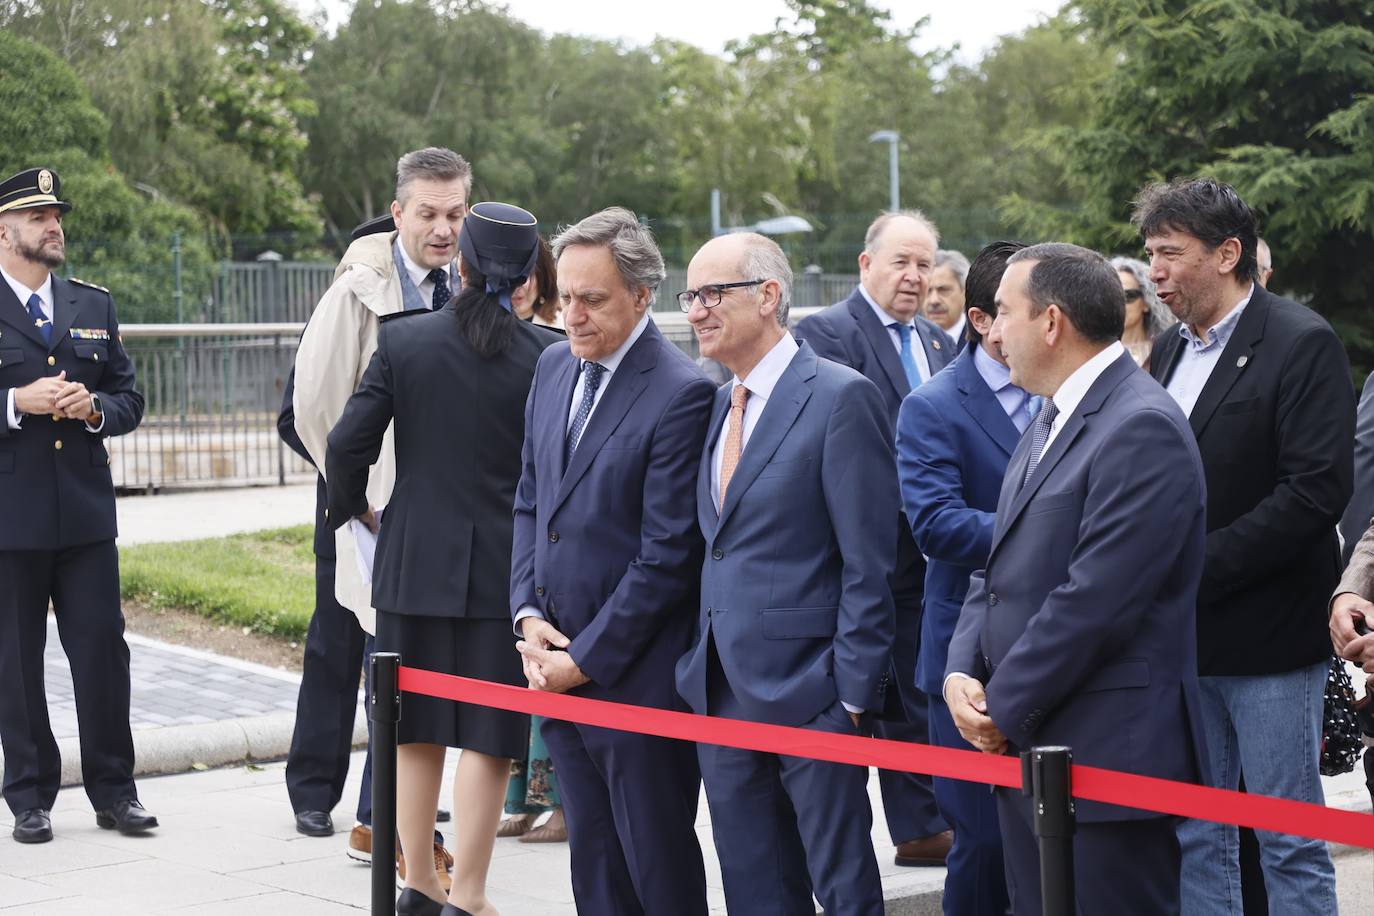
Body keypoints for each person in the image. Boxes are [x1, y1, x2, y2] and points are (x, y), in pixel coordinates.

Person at [944, 242, 1207, 914]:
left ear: (1052, 322)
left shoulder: (1139, 426)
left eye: (1004, 312)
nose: (992, 331)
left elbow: (1096, 601)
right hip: (1036, 752)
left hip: (1104, 765)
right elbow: (997, 568)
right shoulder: (1049, 415)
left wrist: (1000, 709)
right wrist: (960, 673)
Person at [327, 201, 563, 916]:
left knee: (414, 727)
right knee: (490, 738)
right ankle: (470, 895)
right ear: (527, 278)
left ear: (459, 266)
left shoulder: (406, 343)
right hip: (505, 571)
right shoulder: (550, 359)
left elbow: (344, 446)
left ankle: (418, 887)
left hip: (413, 562)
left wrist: (359, 513)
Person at [1140, 177, 1350, 916]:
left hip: (1270, 642)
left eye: (1171, 253)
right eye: (1150, 254)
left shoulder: (1300, 340)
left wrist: (1194, 569)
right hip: (1188, 642)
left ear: (1228, 254)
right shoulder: (1167, 351)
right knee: (1202, 832)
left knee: (1286, 836)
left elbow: (1314, 490)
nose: (1154, 272)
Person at [677, 232, 895, 915]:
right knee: (754, 893)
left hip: (814, 696)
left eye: (713, 293)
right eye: (690, 296)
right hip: (721, 693)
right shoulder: (719, 405)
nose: (696, 311)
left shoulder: (840, 398)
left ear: (769, 296)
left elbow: (870, 562)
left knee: (843, 891)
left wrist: (850, 697)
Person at [511, 207, 713, 914]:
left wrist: (585, 660)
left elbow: (667, 557)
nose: (572, 314)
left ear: (640, 295)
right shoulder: (551, 366)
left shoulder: (681, 392)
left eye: (592, 299)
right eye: (564, 296)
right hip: (556, 662)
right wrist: (527, 611)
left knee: (655, 864)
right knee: (593, 864)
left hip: (637, 681)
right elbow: (532, 501)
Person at [289, 149, 465, 878]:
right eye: (427, 213)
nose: (443, 228)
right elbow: (316, 405)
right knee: (362, 652)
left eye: (455, 214)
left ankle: (386, 815)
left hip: (439, 515)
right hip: (365, 510)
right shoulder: (357, 292)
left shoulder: (470, 288)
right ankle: (365, 813)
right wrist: (358, 499)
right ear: (398, 213)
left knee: (410, 661)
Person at [0, 166, 154, 844]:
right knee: (15, 658)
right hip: (10, 518)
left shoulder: (93, 305)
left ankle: (116, 792)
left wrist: (94, 408)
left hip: (87, 517)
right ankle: (29, 795)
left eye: (57, 214)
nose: (54, 225)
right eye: (39, 217)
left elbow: (130, 399)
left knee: (101, 653)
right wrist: (12, 402)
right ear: (4, 230)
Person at [793, 210, 952, 867]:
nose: (914, 277)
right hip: (864, 548)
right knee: (869, 688)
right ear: (866, 265)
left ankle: (926, 818)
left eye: (925, 265)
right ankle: (903, 826)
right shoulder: (827, 334)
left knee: (924, 684)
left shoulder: (939, 344)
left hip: (931, 552)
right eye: (901, 262)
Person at [895, 240, 1029, 916]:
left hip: (1060, 651)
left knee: (1044, 847)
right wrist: (1048, 537)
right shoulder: (934, 406)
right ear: (983, 320)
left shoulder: (1067, 392)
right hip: (965, 660)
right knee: (983, 843)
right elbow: (938, 527)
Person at [1109, 256, 1174, 368]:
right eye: (1110, 296)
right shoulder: (1095, 355)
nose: (1117, 303)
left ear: (1146, 302)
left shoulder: (1169, 350)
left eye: (1127, 296)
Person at [510, 236, 561, 328]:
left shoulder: (566, 330)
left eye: (527, 273)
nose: (517, 285)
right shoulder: (479, 328)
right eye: (509, 273)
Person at [926, 249, 971, 350]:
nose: (934, 300)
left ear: (965, 292)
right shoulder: (913, 343)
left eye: (943, 290)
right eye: (927, 291)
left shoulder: (983, 343)